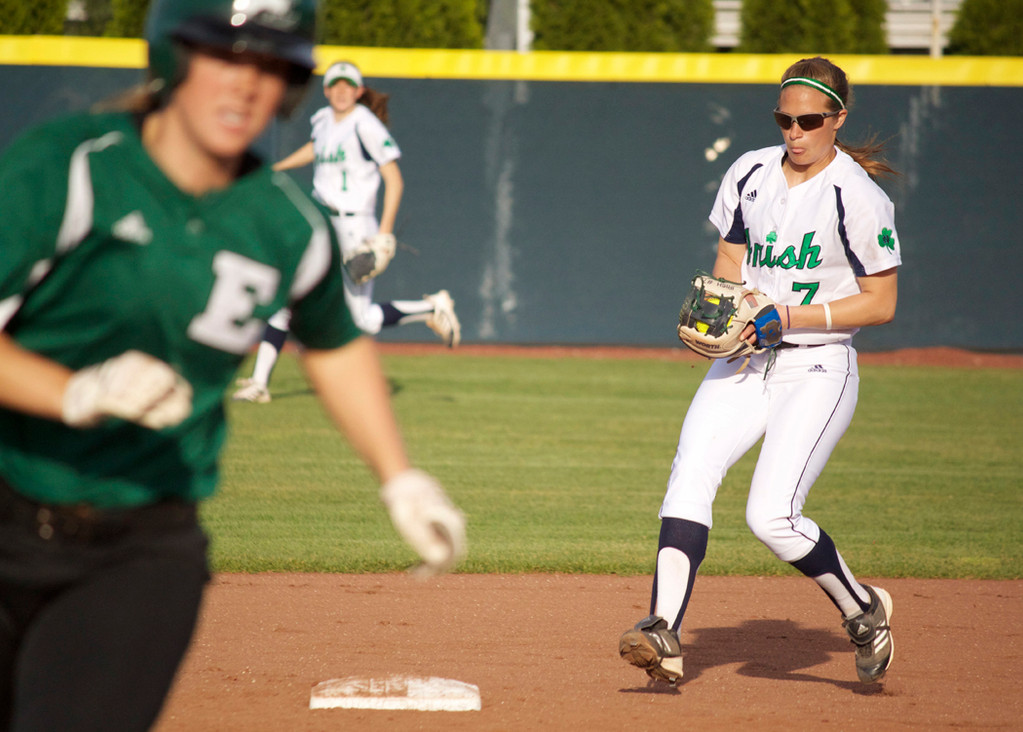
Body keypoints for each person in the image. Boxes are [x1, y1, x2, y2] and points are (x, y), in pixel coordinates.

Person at [0, 1, 466, 729]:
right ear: (171, 59)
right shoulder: (70, 166)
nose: (247, 85)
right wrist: (76, 392)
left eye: (272, 67)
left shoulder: (284, 223)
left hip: (142, 546)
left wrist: (399, 477)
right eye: (224, 56)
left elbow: (336, 344)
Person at [619, 56, 901, 686]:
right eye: (785, 118)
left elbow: (881, 303)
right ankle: (662, 631)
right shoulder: (749, 172)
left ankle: (863, 611)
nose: (795, 131)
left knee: (771, 515)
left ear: (837, 119)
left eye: (809, 119)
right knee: (689, 474)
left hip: (819, 366)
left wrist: (791, 316)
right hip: (747, 359)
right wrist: (718, 314)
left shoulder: (857, 195)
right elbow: (729, 256)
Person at [233, 59, 461, 404]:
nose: (341, 92)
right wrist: (279, 167)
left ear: (358, 91)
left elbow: (394, 180)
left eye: (347, 86)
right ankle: (259, 383)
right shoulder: (323, 120)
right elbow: (317, 149)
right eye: (335, 85)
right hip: (322, 222)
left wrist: (384, 234)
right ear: (326, 90)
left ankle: (430, 309)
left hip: (356, 224)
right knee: (285, 298)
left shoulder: (365, 123)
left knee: (361, 320)